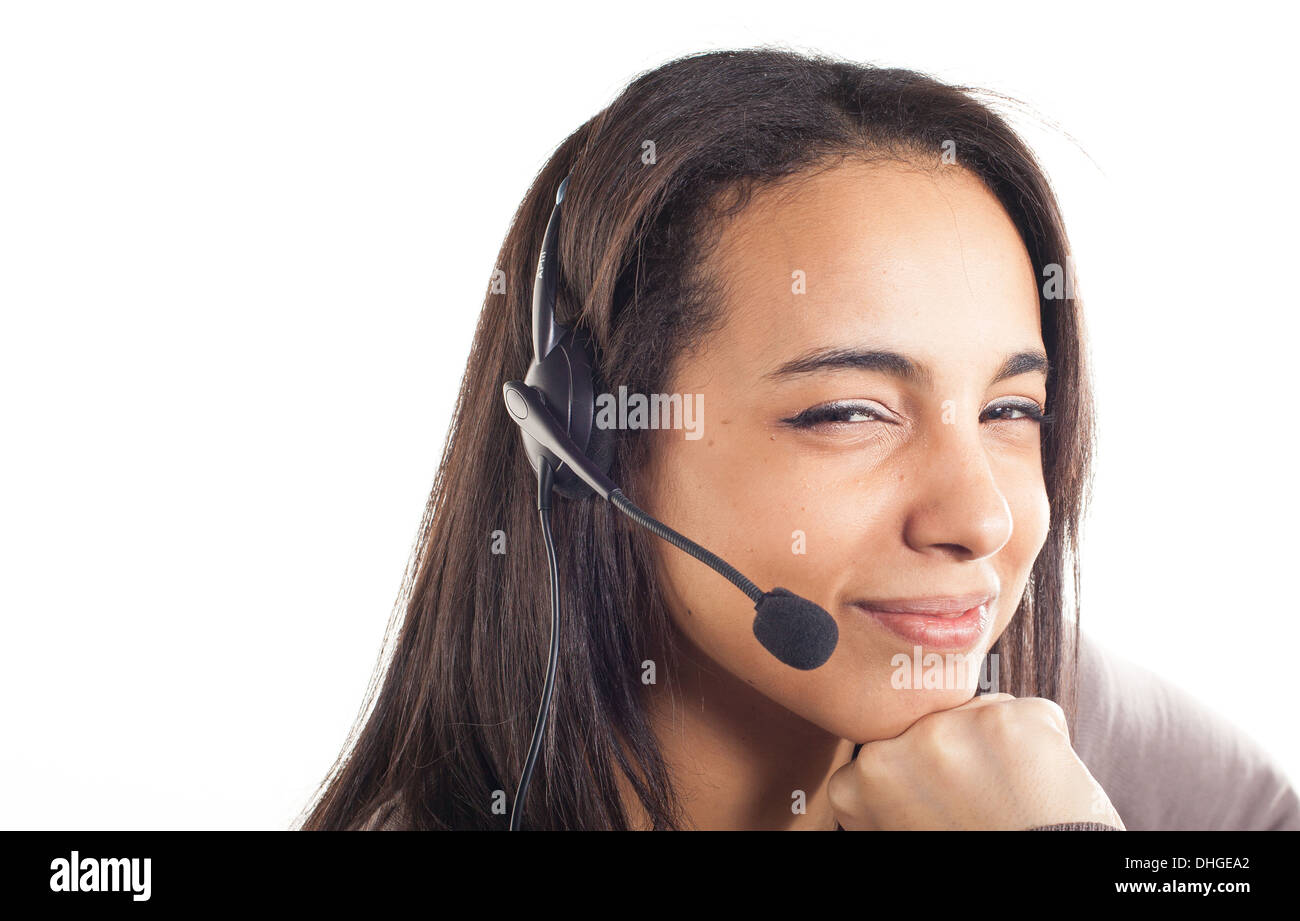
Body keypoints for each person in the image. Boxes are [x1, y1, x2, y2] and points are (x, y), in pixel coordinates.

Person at [298, 47, 1300, 832]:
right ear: (587, 450)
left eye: (1010, 412)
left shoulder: (1073, 737)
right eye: (849, 413)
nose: (980, 518)